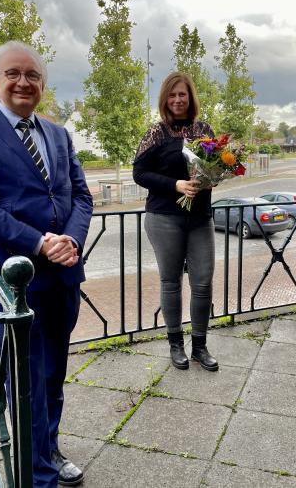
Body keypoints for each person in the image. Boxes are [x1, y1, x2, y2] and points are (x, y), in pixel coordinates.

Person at [0, 41, 92, 486]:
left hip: (63, 277)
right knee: (23, 382)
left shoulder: (58, 134)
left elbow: (81, 196)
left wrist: (70, 240)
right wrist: (39, 242)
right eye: (13, 73)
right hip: (15, 286)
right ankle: (39, 477)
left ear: (43, 85)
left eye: (32, 75)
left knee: (53, 377)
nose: (23, 82)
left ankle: (47, 448)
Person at [133, 71, 219, 372]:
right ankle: (175, 344)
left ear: (190, 97)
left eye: (182, 94)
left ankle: (200, 345)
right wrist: (176, 185)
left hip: (200, 217)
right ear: (165, 100)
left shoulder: (203, 130)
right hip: (165, 217)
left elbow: (213, 166)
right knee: (171, 282)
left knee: (203, 281)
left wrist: (210, 178)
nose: (178, 99)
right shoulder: (156, 133)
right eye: (172, 95)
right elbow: (139, 174)